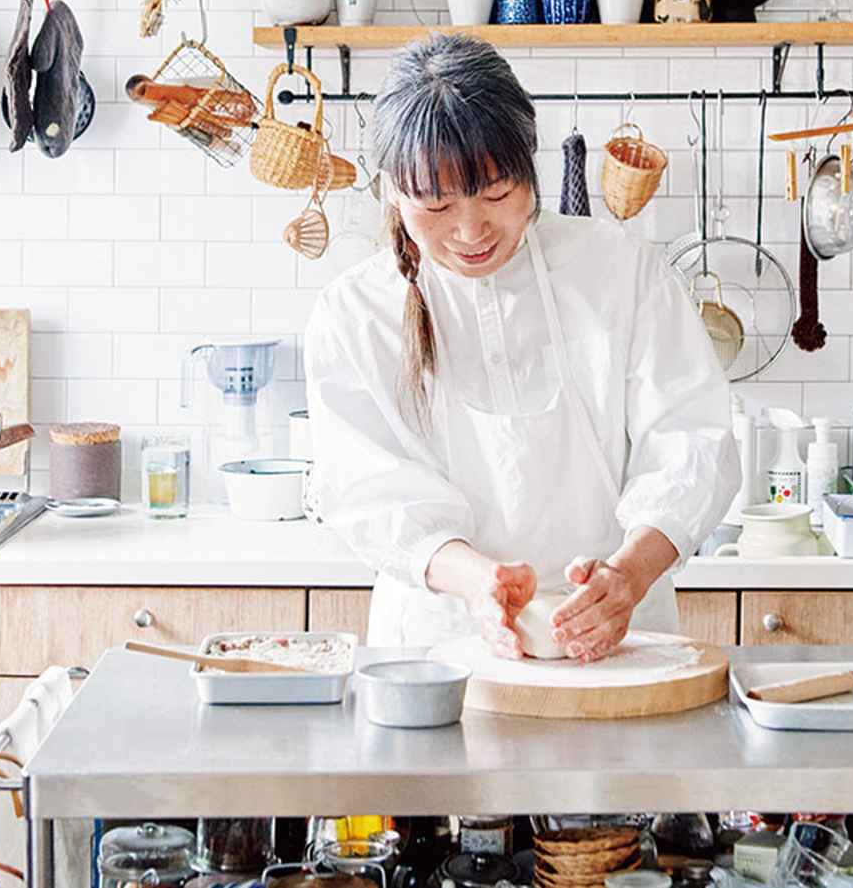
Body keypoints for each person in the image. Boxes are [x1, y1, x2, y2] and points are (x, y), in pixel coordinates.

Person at [304, 33, 740, 662]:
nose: (471, 230)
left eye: (497, 194)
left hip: (621, 638)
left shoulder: (618, 270)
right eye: (436, 204)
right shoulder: (355, 313)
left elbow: (691, 438)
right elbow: (367, 492)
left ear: (529, 165)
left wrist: (629, 574)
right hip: (439, 645)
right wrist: (478, 583)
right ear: (392, 191)